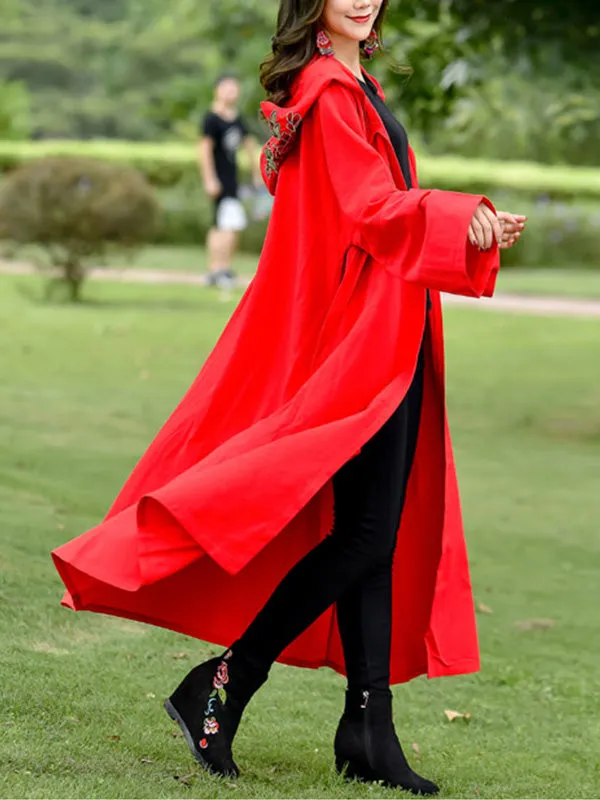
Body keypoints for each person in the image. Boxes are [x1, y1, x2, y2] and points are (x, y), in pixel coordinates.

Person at [52, 0, 527, 793]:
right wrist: (460, 220)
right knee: (368, 535)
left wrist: (461, 222)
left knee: (376, 534)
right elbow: (370, 211)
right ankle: (227, 681)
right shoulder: (330, 94)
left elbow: (370, 202)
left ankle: (368, 732)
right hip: (362, 345)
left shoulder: (350, 85)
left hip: (389, 331)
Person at [200, 74, 261, 289]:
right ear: (217, 90)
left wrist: (256, 171)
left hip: (233, 180)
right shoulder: (211, 119)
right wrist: (209, 179)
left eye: (235, 88)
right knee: (222, 225)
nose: (232, 92)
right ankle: (216, 269)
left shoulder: (237, 119)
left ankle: (223, 267)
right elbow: (204, 150)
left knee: (231, 225)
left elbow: (249, 145)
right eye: (227, 88)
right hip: (219, 181)